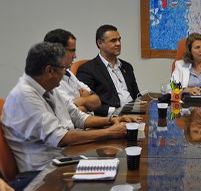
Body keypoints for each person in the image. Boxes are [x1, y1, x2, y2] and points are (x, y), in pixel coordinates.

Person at [1, 42, 142, 173]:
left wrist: (112, 120)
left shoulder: (48, 87)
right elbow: (61, 138)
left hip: (66, 157)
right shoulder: (24, 96)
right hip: (44, 173)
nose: (65, 73)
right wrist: (110, 133)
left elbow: (78, 117)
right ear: (49, 71)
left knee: (117, 163)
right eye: (63, 68)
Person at [76, 25, 140, 116]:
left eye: (119, 40)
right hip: (111, 119)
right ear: (100, 43)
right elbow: (88, 103)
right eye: (113, 40)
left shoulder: (127, 66)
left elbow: (137, 95)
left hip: (134, 114)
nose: (118, 44)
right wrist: (115, 111)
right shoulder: (87, 69)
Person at [44, 29, 101, 112]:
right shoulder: (48, 79)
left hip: (86, 121)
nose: (75, 56)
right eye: (72, 51)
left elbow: (97, 101)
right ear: (58, 51)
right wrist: (86, 101)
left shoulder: (68, 73)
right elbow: (68, 113)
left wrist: (82, 101)